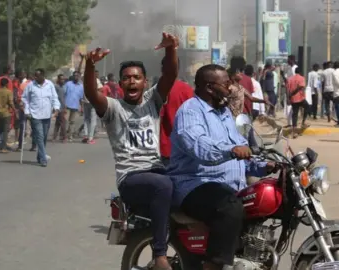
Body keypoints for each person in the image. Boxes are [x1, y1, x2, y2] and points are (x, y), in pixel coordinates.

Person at [83, 33, 178, 270]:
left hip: (157, 171)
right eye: (127, 78)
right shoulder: (113, 108)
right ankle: (159, 255)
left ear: (145, 82)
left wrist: (171, 49)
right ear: (120, 84)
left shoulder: (152, 101)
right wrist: (90, 65)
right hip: (131, 177)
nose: (132, 81)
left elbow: (170, 75)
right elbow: (91, 94)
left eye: (137, 77)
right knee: (164, 185)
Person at [167, 64, 276, 270]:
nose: (232, 87)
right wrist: (231, 150)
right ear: (210, 87)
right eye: (227, 83)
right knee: (229, 206)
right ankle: (213, 265)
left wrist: (265, 165)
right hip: (195, 185)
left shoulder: (224, 113)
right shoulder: (190, 111)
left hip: (227, 186)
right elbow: (199, 146)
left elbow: (242, 150)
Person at [21, 69, 61, 167]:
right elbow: (24, 98)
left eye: (37, 76)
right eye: (34, 76)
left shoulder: (50, 85)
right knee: (39, 136)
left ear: (43, 76)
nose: (35, 78)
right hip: (35, 115)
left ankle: (40, 156)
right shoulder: (30, 85)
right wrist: (27, 111)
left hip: (47, 115)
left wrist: (56, 108)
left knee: (44, 137)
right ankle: (43, 159)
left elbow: (54, 97)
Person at [159, 58, 194, 167]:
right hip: (187, 147)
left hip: (166, 148)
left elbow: (157, 118)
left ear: (162, 69)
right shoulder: (188, 90)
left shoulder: (160, 91)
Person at [0, 78, 15, 153]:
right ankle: (3, 147)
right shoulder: (9, 92)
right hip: (6, 113)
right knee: (5, 131)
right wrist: (15, 111)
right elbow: (11, 103)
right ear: (6, 84)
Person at [286, 66, 308, 138]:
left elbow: (287, 89)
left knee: (295, 113)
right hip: (300, 98)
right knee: (307, 107)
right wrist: (293, 93)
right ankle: (303, 122)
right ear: (301, 72)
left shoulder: (290, 79)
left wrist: (288, 98)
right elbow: (301, 87)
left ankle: (294, 131)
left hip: (293, 99)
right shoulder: (302, 78)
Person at [64, 71, 84, 142]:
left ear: (79, 77)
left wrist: (82, 107)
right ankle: (64, 136)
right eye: (75, 75)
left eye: (77, 76)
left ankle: (70, 136)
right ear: (73, 76)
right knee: (65, 121)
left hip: (75, 106)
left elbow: (81, 98)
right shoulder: (68, 84)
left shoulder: (81, 86)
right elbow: (64, 94)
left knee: (72, 122)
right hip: (67, 106)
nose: (76, 77)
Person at [53, 74, 67, 142]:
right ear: (58, 80)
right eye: (61, 79)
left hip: (63, 107)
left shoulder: (63, 87)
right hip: (58, 108)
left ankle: (54, 137)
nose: (63, 80)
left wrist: (65, 106)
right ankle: (64, 137)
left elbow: (63, 97)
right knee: (63, 122)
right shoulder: (56, 87)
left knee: (58, 123)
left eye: (63, 79)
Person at [284, 55, 298, 127]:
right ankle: (289, 123)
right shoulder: (289, 68)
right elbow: (287, 79)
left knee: (293, 108)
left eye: (288, 59)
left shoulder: (295, 68)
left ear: (292, 60)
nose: (287, 61)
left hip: (293, 91)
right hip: (288, 89)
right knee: (288, 107)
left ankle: (293, 124)